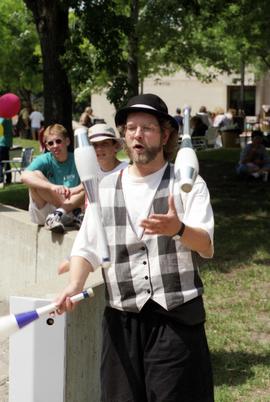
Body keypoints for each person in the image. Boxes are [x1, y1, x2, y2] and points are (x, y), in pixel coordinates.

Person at [56, 93, 215, 402]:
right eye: (131, 128)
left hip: (176, 319)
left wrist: (179, 229)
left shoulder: (188, 184)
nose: (138, 135)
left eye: (147, 128)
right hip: (122, 321)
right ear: (124, 136)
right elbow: (86, 248)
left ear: (165, 134)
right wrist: (74, 284)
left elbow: (206, 244)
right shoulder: (104, 187)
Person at [58, 123, 129, 274]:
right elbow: (84, 187)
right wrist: (70, 192)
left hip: (114, 231)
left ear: (115, 146)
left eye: (104, 144)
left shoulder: (126, 171)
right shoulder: (91, 168)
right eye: (94, 145)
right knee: (61, 268)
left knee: (69, 269)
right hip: (90, 228)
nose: (99, 149)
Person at [21, 124, 85, 233]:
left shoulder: (77, 158)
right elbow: (24, 176)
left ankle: (60, 213)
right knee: (36, 175)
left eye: (58, 141)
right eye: (50, 143)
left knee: (87, 186)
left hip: (65, 211)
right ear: (47, 147)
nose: (55, 145)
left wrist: (75, 189)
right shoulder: (45, 159)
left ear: (68, 141)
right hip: (46, 212)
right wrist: (52, 187)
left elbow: (91, 180)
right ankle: (67, 214)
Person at [0, 117, 14, 184]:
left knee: (1, 162)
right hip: (7, 143)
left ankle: (1, 179)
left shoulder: (4, 117)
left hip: (2, 143)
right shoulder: (9, 117)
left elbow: (0, 125)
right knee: (6, 161)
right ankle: (8, 179)